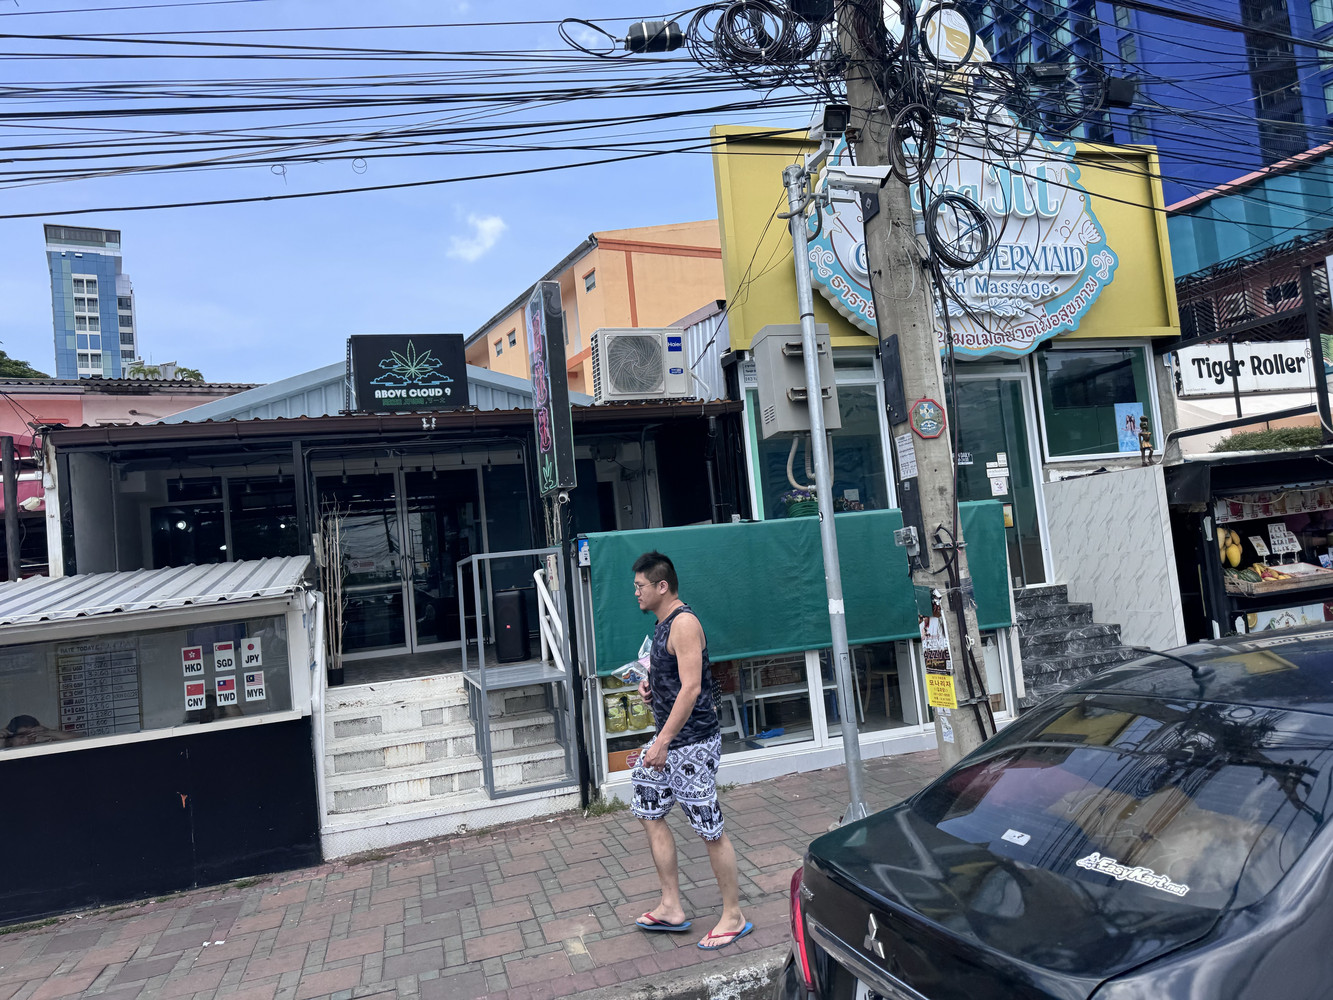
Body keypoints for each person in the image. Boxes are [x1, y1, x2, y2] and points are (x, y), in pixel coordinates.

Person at [628, 551, 752, 950]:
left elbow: (693, 688)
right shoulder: (662, 624)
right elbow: (673, 677)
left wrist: (662, 741)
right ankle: (670, 906)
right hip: (670, 742)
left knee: (709, 829)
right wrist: (650, 685)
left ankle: (733, 915)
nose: (636, 593)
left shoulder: (683, 623)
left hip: (692, 744)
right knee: (647, 806)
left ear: (662, 586)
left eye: (640, 586)